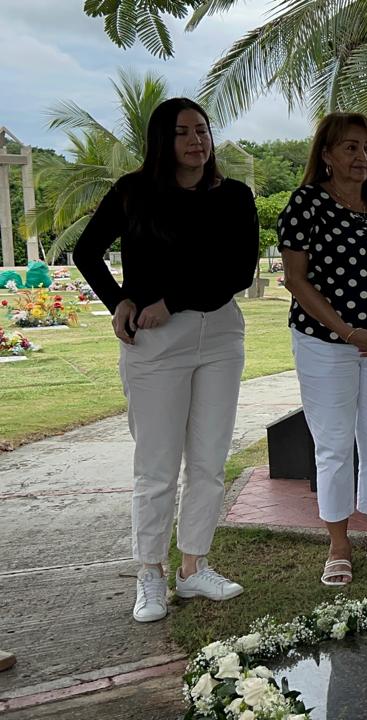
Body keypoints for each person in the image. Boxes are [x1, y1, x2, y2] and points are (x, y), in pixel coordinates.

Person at [72, 97, 257, 623]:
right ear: (163, 140)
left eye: (203, 130)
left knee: (209, 461)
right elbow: (87, 251)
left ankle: (193, 567)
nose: (197, 141)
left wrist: (169, 301)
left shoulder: (234, 196)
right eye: (184, 133)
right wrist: (119, 302)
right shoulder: (133, 192)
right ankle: (149, 571)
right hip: (154, 346)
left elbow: (238, 270)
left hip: (220, 334)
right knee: (156, 467)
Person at [278, 112, 367, 586]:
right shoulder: (307, 205)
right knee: (335, 446)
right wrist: (345, 331)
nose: (363, 157)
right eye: (350, 148)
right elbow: (296, 281)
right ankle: (339, 545)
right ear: (326, 155)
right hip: (326, 345)